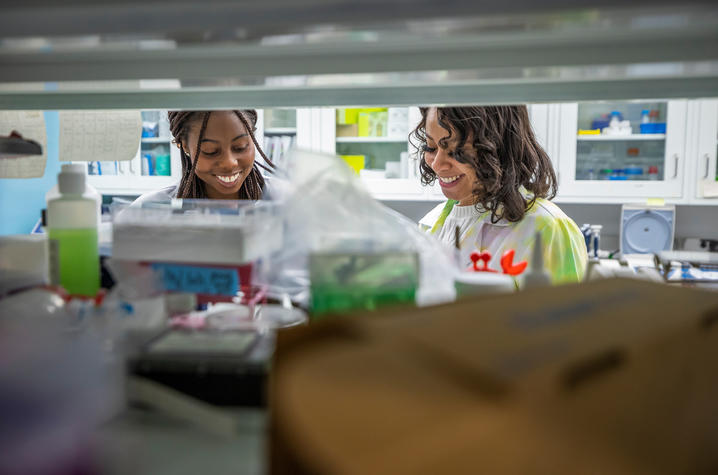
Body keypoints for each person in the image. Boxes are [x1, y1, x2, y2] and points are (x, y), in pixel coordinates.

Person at [414, 106, 587, 284]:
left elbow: (571, 310)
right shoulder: (432, 223)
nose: (436, 164)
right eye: (431, 147)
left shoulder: (547, 228)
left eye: (457, 151)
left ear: (499, 148)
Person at [132, 109, 275, 205]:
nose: (229, 163)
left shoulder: (288, 201)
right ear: (184, 145)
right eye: (210, 151)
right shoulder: (150, 208)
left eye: (240, 147)